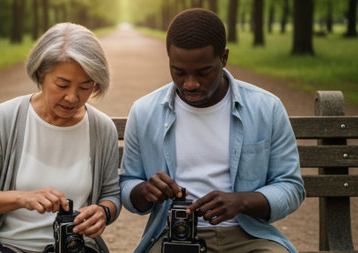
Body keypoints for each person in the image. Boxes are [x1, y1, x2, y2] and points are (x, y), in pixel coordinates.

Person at [119, 8, 305, 253]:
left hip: (249, 236)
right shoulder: (144, 111)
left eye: (204, 72)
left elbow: (291, 186)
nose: (191, 84)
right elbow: (127, 183)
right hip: (174, 236)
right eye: (179, 72)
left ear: (224, 58)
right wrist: (144, 191)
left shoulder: (266, 108)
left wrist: (242, 202)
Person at [0, 22, 121, 253]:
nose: (72, 98)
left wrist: (104, 211)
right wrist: (22, 198)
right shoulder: (5, 118)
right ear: (41, 73)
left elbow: (110, 195)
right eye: (62, 84)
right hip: (8, 246)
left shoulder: (102, 128)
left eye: (85, 87)